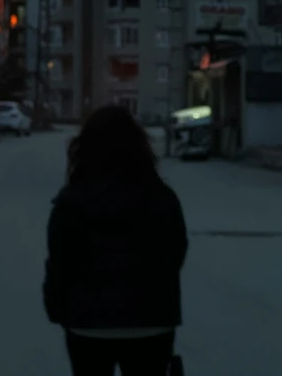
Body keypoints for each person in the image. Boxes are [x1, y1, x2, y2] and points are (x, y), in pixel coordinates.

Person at [43, 105, 188, 376]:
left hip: (87, 323)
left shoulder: (72, 201)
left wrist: (58, 306)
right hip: (151, 320)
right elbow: (174, 254)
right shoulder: (161, 197)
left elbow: (60, 261)